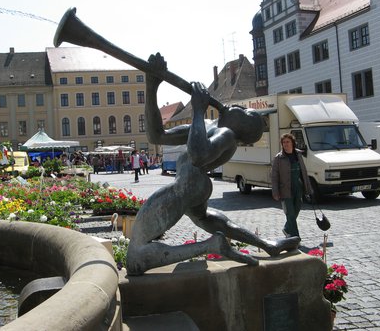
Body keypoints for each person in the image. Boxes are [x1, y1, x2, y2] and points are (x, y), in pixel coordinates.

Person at [126, 53, 300, 275]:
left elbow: (199, 155)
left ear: (244, 129)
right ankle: (267, 245)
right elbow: (157, 135)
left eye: (246, 113)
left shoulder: (227, 134)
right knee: (214, 222)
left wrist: (198, 109)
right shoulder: (208, 126)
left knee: (135, 257)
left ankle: (211, 245)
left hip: (189, 185)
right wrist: (152, 85)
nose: (239, 107)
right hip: (192, 186)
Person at [271, 133, 313, 240]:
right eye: (284, 142)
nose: (285, 144)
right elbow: (274, 176)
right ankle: (295, 237)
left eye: (288, 142)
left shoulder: (298, 154)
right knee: (290, 213)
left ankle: (287, 228)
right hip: (285, 189)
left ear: (292, 143)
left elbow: (303, 172)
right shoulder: (278, 158)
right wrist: (275, 192)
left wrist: (308, 187)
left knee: (296, 211)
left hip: (298, 187)